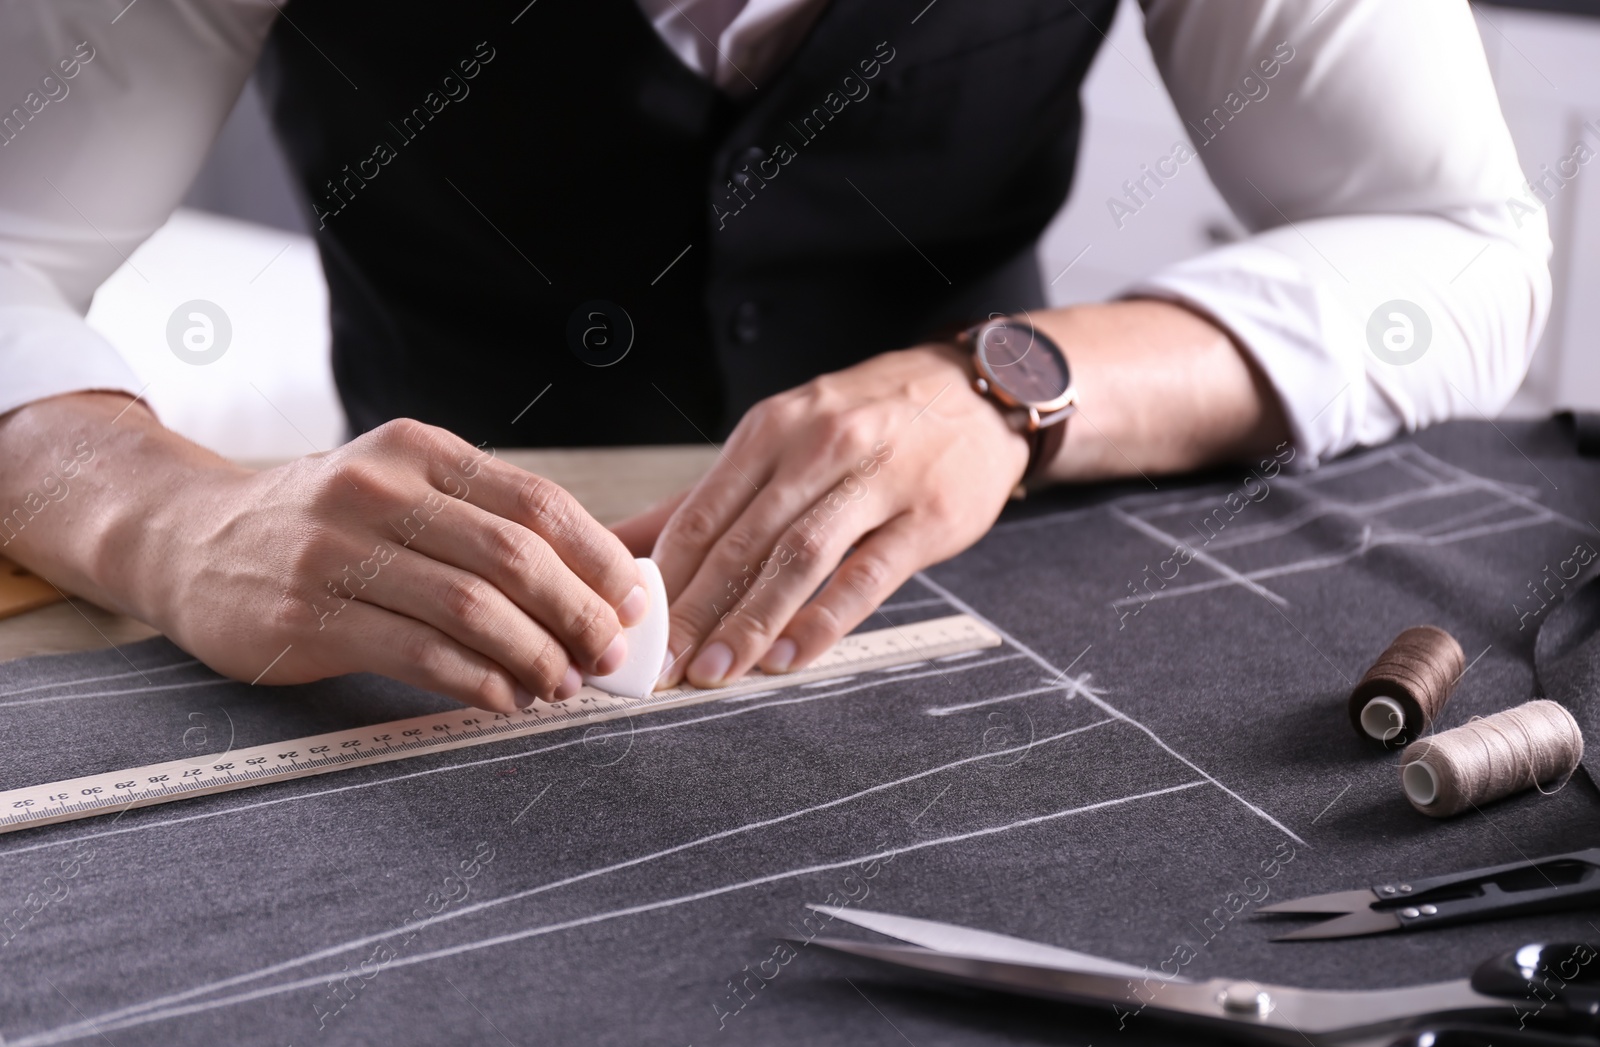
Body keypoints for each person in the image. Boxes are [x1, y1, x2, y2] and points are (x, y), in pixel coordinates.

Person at [0, 0, 1549, 710]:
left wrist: (1012, 386)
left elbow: (1457, 245)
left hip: (1024, 613)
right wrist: (165, 509)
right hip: (426, 665)